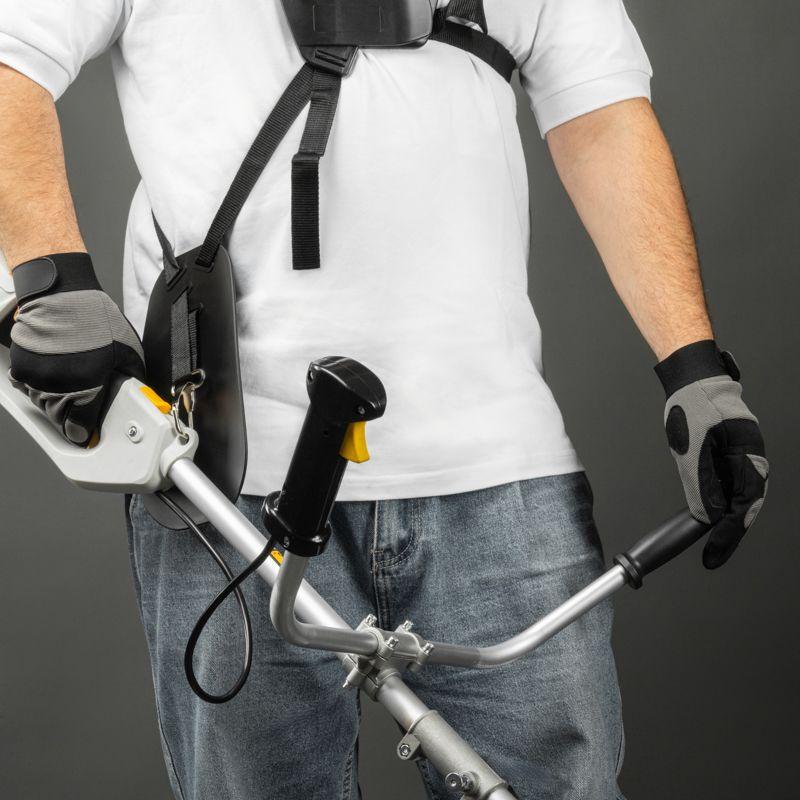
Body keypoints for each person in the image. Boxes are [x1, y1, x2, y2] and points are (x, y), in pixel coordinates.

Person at [0, 1, 767, 798]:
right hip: (227, 482)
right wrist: (54, 282)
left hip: (499, 476)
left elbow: (601, 115)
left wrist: (695, 370)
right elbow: (9, 54)